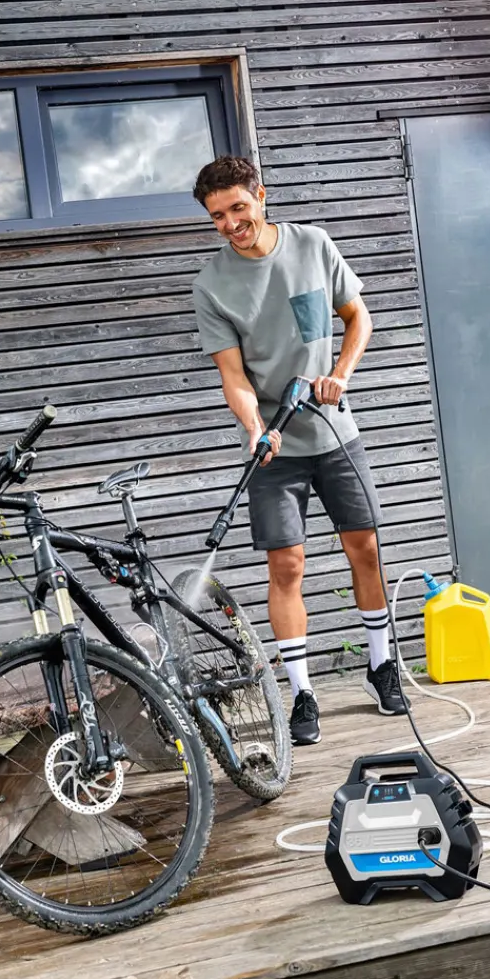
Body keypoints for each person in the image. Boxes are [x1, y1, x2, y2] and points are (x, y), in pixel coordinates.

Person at [189, 155, 410, 746]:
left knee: (364, 549)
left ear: (260, 196)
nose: (230, 224)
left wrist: (340, 374)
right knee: (286, 566)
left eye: (238, 208)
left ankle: (381, 665)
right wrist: (255, 427)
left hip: (336, 434)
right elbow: (233, 375)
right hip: (274, 446)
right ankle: (302, 692)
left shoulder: (313, 245)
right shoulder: (212, 286)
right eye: (217, 216)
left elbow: (358, 318)